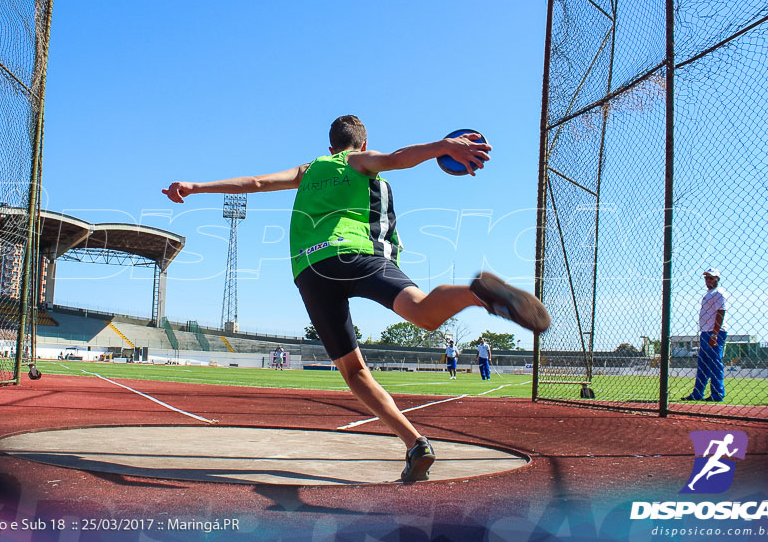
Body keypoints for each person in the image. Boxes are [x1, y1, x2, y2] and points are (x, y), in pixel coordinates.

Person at [163, 115, 550, 482]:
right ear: (362, 143)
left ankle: (416, 444)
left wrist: (196, 187)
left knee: (354, 371)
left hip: (311, 270)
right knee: (423, 313)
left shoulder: (309, 170)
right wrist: (441, 146)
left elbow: (256, 183)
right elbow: (397, 159)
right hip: (355, 253)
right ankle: (474, 293)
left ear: (329, 145)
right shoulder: (358, 159)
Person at [681, 268, 729, 402]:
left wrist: (715, 334)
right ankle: (697, 393)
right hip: (706, 331)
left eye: (711, 278)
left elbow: (721, 313)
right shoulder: (710, 293)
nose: (708, 280)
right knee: (703, 364)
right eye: (706, 278)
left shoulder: (719, 293)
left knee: (715, 363)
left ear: (717, 279)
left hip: (715, 332)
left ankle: (717, 394)